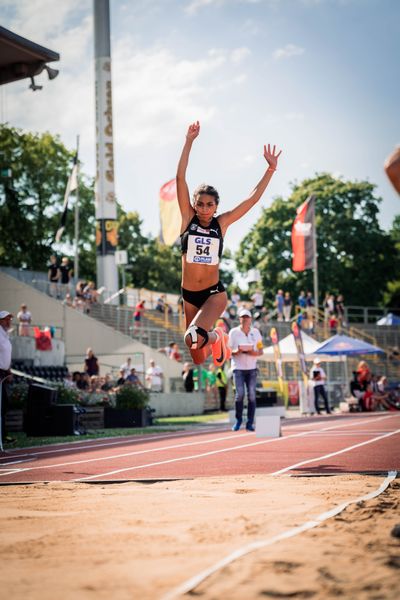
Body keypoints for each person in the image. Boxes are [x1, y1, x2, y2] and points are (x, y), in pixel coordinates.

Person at [177, 120, 281, 367]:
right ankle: (217, 337)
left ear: (216, 206)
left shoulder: (221, 224)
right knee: (197, 354)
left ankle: (215, 335)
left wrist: (270, 170)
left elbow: (251, 199)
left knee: (193, 335)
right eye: (200, 204)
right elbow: (180, 177)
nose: (204, 209)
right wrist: (188, 141)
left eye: (209, 205)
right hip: (189, 294)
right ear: (193, 204)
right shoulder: (187, 218)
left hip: (213, 293)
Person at [228, 308, 264, 431]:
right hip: (238, 368)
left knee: (252, 396)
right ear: (239, 319)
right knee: (239, 395)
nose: (245, 319)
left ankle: (249, 423)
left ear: (250, 319)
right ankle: (238, 420)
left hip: (252, 368)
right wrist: (236, 351)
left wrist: (253, 352)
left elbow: (261, 351)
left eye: (247, 317)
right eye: (242, 317)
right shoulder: (233, 332)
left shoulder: (256, 333)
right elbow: (228, 351)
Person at [0, 311, 15, 446]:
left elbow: (6, 356)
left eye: (9, 319)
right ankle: (2, 436)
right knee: (2, 404)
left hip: (4, 373)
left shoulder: (6, 335)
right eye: (6, 319)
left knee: (4, 405)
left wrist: (8, 371)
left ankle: (3, 435)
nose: (8, 321)